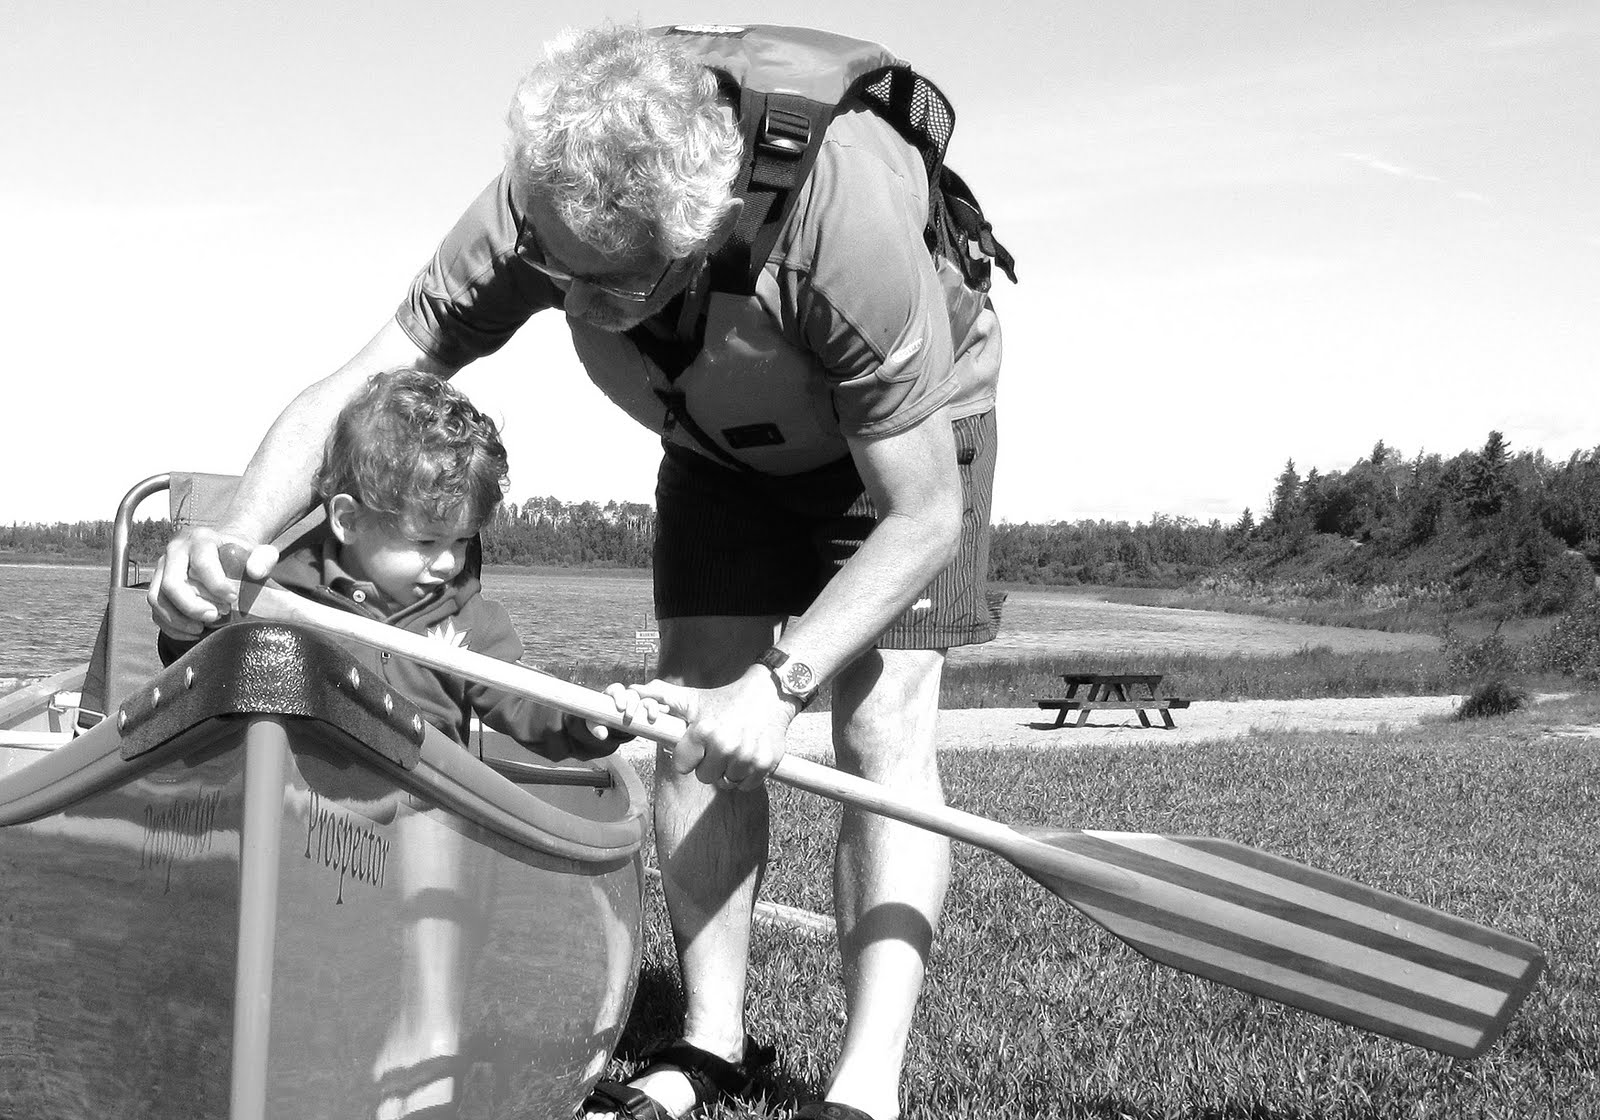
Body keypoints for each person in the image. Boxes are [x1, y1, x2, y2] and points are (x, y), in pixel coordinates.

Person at [151, 23, 1005, 1120]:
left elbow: (923, 512)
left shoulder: (844, 235)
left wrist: (781, 682)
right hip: (721, 445)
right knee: (691, 694)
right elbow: (369, 378)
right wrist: (225, 538)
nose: (551, 288)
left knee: (879, 727)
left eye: (588, 279)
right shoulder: (537, 205)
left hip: (908, 449)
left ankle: (865, 1084)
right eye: (545, 257)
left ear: (687, 243)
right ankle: (710, 1045)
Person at [158, 366, 633, 760]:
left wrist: (585, 718)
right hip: (293, 796)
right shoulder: (275, 594)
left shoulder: (471, 622)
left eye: (464, 541)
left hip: (421, 821)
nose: (448, 563)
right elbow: (198, 670)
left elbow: (523, 701)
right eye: (425, 541)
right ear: (348, 519)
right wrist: (188, 623)